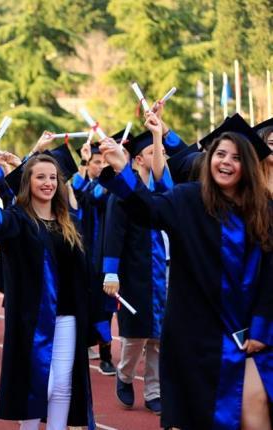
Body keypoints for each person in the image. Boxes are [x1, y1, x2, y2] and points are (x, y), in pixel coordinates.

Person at [98, 116, 272, 429]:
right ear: (209, 160)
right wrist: (122, 168)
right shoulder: (189, 199)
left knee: (254, 408)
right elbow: (146, 209)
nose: (226, 163)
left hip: (246, 333)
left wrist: (260, 327)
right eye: (220, 155)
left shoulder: (263, 210)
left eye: (235, 157)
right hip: (196, 330)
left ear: (248, 164)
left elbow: (272, 274)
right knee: (195, 415)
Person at [0, 153, 98, 429]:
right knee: (40, 384)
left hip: (68, 314)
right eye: (41, 177)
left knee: (63, 384)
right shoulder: (20, 219)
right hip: (33, 317)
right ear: (28, 182)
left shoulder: (70, 222)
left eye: (53, 177)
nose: (48, 183)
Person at [102, 114, 172, 415]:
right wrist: (111, 271)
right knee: (136, 336)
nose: (160, 157)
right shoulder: (123, 194)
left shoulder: (163, 190)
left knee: (160, 337)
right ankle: (125, 374)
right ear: (139, 160)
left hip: (165, 272)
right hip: (135, 272)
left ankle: (154, 390)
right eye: (153, 153)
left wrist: (158, 135)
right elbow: (113, 234)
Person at [72, 141, 115, 375]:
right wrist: (84, 161)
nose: (100, 166)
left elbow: (100, 194)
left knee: (105, 309)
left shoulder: (108, 189)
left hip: (104, 259)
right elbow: (81, 194)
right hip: (81, 259)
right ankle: (81, 348)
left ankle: (106, 354)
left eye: (103, 162)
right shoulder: (80, 188)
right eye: (96, 162)